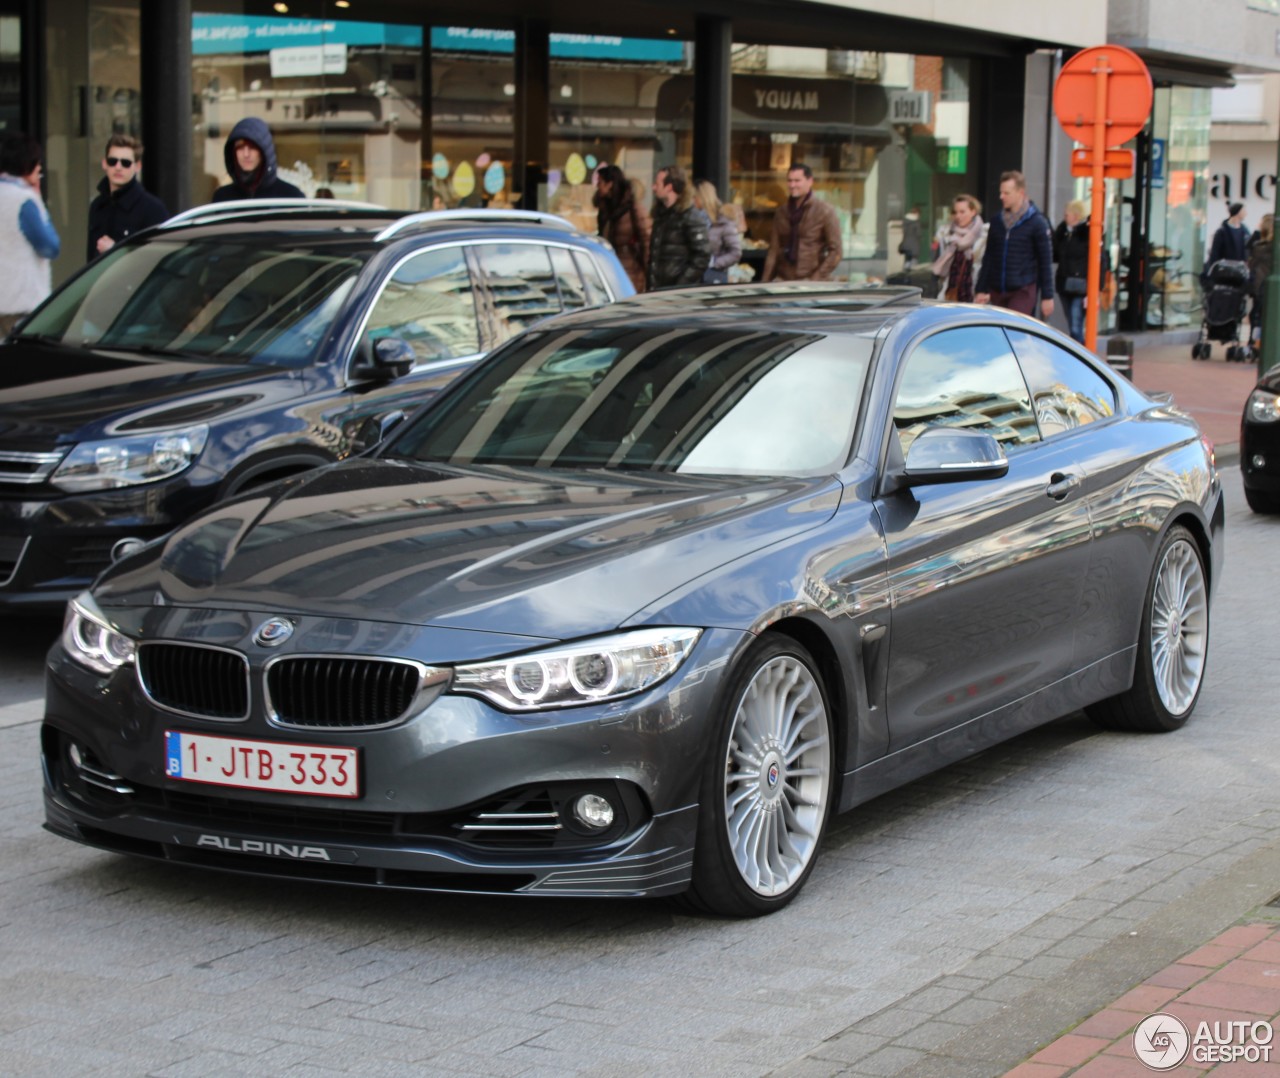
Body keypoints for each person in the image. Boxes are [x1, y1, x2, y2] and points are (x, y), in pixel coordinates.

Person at [0, 132, 59, 336]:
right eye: (37, 163)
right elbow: (50, 247)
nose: (40, 168)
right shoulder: (24, 201)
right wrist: (39, 201)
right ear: (27, 165)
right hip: (21, 303)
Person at [974, 170, 1054, 319]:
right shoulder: (997, 221)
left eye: (1006, 193)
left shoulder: (1037, 222)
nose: (1001, 197)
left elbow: (1045, 262)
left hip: (1023, 289)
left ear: (1020, 192)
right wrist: (981, 289)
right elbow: (989, 257)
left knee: (1015, 331)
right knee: (999, 333)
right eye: (1001, 192)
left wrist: (1047, 296)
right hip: (997, 290)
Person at [86, 134, 168, 261]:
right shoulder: (97, 206)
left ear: (137, 166)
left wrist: (115, 250)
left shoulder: (152, 208)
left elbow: (159, 260)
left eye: (126, 163)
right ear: (104, 164)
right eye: (112, 161)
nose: (118, 167)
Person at [762, 163, 842, 282]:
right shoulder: (782, 212)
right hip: (784, 279)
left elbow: (836, 251)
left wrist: (816, 278)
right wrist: (765, 283)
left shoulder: (825, 211)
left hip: (811, 281)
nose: (792, 185)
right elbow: (774, 251)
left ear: (810, 181)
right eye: (789, 181)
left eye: (797, 181)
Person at [1052, 199, 1108, 344]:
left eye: (1067, 214)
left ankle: (1081, 354)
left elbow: (1100, 260)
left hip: (1081, 286)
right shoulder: (1063, 231)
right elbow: (1055, 253)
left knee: (1076, 326)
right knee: (1071, 323)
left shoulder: (1087, 233)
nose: (1065, 217)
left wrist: (1097, 289)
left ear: (1076, 216)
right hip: (1064, 283)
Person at [646, 164, 710, 290]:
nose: (653, 187)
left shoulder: (690, 216)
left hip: (677, 292)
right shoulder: (661, 215)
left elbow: (702, 256)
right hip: (658, 290)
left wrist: (681, 284)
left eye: (657, 184)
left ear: (669, 187)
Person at [212, 117, 304, 202]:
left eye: (252, 147)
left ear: (264, 151)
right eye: (239, 147)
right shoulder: (222, 198)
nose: (246, 154)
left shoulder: (290, 196)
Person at [593, 163, 650, 294]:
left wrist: (648, 272)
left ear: (610, 184)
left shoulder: (632, 208)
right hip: (610, 267)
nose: (597, 186)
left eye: (600, 182)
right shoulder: (605, 209)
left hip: (630, 270)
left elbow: (646, 240)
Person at [931, 194, 984, 303]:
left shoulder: (984, 235)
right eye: (955, 212)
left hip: (973, 294)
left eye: (962, 212)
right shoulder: (946, 233)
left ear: (973, 211)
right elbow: (937, 260)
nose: (958, 216)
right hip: (949, 292)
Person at [693, 179, 743, 285]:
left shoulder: (723, 220)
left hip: (714, 277)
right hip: (694, 277)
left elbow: (736, 252)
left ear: (702, 198)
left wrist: (714, 262)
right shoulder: (693, 220)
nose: (692, 201)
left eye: (695, 197)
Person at [1205, 201, 1249, 282]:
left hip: (1240, 271)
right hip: (1225, 271)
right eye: (1244, 211)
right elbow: (1215, 252)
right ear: (1238, 212)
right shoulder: (1222, 232)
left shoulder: (1245, 231)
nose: (1246, 213)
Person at [1248, 213, 1273, 346]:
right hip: (1267, 287)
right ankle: (1259, 343)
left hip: (1259, 286)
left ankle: (1255, 342)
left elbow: (1251, 264)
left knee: (1257, 316)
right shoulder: (1272, 247)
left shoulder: (1257, 246)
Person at [899, 204, 922, 270]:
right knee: (914, 262)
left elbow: (904, 231)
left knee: (907, 260)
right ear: (917, 213)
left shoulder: (905, 221)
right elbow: (919, 233)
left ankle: (905, 272)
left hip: (906, 244)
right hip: (914, 245)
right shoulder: (916, 222)